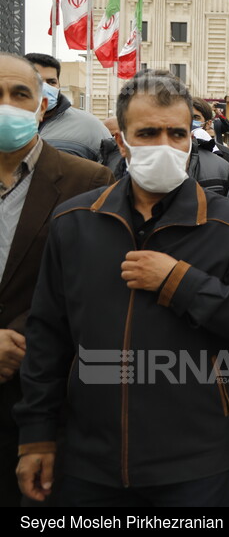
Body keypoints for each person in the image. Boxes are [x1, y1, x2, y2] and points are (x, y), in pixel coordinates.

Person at [14, 69, 229, 506]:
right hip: (89, 461)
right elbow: (47, 339)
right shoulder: (74, 222)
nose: (164, 145)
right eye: (148, 132)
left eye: (177, 133)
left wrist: (181, 281)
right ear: (122, 142)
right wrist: (37, 436)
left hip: (195, 461)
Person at [0, 53, 114, 506]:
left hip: (46, 397)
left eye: (19, 94)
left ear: (42, 107)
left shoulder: (88, 181)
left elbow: (92, 284)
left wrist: (18, 337)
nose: (6, 105)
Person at [25, 53, 111, 162]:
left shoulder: (89, 126)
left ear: (59, 85)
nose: (45, 87)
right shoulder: (6, 122)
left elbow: (111, 170)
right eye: (37, 81)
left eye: (52, 82)